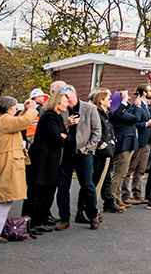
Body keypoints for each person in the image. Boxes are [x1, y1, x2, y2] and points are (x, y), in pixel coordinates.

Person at [0, 95, 39, 243]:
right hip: (7, 161)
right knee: (3, 198)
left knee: (4, 197)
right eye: (15, 108)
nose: (16, 110)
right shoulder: (4, 120)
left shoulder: (0, 120)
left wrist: (25, 110)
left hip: (5, 160)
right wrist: (32, 110)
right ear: (9, 109)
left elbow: (16, 122)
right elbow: (23, 122)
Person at [56, 84, 101, 230]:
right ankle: (64, 219)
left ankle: (93, 216)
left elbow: (96, 132)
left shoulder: (90, 109)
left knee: (87, 185)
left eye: (68, 97)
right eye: (64, 98)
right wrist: (67, 124)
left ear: (75, 94)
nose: (66, 101)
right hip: (66, 153)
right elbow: (57, 130)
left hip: (83, 152)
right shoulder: (61, 110)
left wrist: (88, 149)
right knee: (63, 186)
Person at [24, 92, 68, 232]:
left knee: (45, 191)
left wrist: (62, 136)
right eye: (65, 101)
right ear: (57, 103)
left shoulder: (58, 117)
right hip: (42, 160)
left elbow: (61, 135)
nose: (67, 104)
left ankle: (38, 220)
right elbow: (57, 138)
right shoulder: (49, 117)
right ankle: (29, 222)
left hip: (50, 159)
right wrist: (61, 137)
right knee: (36, 191)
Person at [122, 84, 151, 205]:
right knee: (129, 168)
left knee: (141, 170)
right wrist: (146, 124)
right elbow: (133, 122)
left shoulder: (145, 106)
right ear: (144, 93)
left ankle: (137, 194)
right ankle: (125, 194)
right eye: (150, 91)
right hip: (138, 141)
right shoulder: (137, 106)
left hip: (146, 142)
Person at [109, 90, 141, 210]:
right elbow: (136, 118)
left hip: (128, 144)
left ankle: (117, 198)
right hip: (123, 145)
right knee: (119, 173)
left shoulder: (120, 111)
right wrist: (137, 106)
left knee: (122, 173)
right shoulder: (116, 113)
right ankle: (113, 199)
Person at [89, 88, 119, 215]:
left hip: (108, 150)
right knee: (97, 179)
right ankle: (91, 206)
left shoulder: (104, 113)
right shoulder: (96, 113)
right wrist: (102, 144)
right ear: (101, 101)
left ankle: (108, 202)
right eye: (108, 99)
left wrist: (111, 139)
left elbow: (107, 129)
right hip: (101, 152)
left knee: (106, 177)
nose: (111, 101)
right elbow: (96, 130)